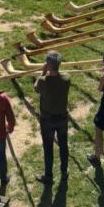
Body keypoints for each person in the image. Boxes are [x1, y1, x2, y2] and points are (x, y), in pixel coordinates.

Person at [34, 51, 70, 184]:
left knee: (48, 148)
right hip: (62, 119)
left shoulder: (43, 80)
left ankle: (48, 176)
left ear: (48, 65)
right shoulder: (67, 79)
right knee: (63, 146)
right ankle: (64, 171)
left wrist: (43, 72)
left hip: (47, 120)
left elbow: (36, 88)